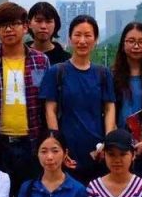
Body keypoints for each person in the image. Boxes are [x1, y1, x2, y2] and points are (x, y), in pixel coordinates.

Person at [0, 2, 50, 196]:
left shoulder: (41, 60)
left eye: (14, 24)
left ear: (25, 27)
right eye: (3, 25)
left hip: (31, 142)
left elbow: (48, 103)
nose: (8, 30)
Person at [41, 15, 117, 185]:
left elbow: (109, 108)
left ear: (95, 40)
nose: (82, 41)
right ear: (70, 38)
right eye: (77, 35)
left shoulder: (103, 73)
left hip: (97, 151)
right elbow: (50, 110)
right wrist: (58, 147)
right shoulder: (57, 72)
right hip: (68, 149)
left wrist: (107, 142)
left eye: (88, 35)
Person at [112, 21, 142, 183]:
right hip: (119, 144)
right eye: (131, 41)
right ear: (123, 44)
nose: (136, 46)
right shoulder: (112, 76)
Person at [28, 1, 71, 65]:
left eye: (48, 21)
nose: (43, 26)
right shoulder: (19, 55)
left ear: (55, 25)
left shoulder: (67, 61)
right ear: (29, 24)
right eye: (38, 21)